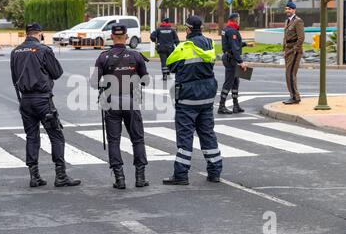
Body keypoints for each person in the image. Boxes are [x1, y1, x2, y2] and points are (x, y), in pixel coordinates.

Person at [10, 23, 81, 188]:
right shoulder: (43, 50)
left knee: (31, 137)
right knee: (56, 135)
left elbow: (14, 77)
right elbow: (57, 72)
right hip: (42, 99)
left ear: (27, 34)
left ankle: (34, 176)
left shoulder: (15, 52)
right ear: (40, 34)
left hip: (25, 100)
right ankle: (61, 175)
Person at [162, 16, 223, 185]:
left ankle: (181, 175)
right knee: (207, 133)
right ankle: (215, 171)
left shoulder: (183, 47)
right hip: (206, 98)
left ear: (188, 29)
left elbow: (170, 65)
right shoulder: (210, 44)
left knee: (185, 137)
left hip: (187, 99)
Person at [91, 23, 150, 189]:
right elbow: (146, 80)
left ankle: (120, 178)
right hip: (131, 101)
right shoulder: (136, 56)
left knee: (114, 140)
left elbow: (93, 82)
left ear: (111, 36)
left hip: (112, 102)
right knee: (137, 139)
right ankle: (140, 177)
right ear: (125, 37)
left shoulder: (104, 57)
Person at [218, 13, 249, 115]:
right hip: (232, 59)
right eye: (238, 19)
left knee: (235, 82)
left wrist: (245, 44)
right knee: (229, 82)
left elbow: (232, 44)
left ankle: (236, 105)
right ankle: (221, 106)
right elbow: (234, 48)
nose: (239, 21)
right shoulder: (232, 31)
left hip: (229, 57)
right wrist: (241, 62)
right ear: (235, 20)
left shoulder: (226, 29)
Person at [283, 1, 305, 104]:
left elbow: (301, 38)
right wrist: (284, 50)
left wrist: (294, 50)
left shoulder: (298, 21)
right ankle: (293, 95)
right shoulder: (287, 21)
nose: (287, 10)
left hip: (295, 52)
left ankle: (295, 97)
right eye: (286, 9)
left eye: (290, 9)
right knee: (288, 74)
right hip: (288, 51)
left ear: (294, 10)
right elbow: (285, 37)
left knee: (290, 74)